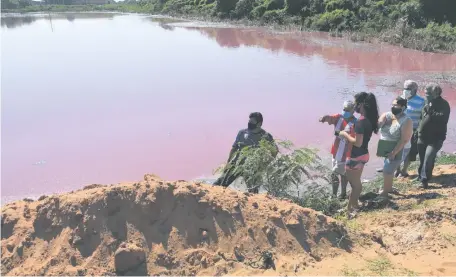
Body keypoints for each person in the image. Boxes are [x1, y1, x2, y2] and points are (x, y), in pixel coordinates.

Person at [213, 112, 278, 193]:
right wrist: (228, 163)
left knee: (253, 193)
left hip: (251, 168)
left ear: (259, 123)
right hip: (237, 165)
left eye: (252, 121)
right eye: (249, 121)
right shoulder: (242, 133)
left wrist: (264, 165)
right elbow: (234, 148)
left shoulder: (266, 136)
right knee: (220, 185)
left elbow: (275, 150)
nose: (250, 123)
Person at [338, 92, 379, 218]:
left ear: (361, 104)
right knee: (357, 184)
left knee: (355, 186)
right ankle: (354, 205)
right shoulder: (370, 119)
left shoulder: (360, 122)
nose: (354, 106)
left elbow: (357, 143)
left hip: (355, 156)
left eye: (355, 103)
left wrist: (344, 134)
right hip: (363, 155)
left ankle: (350, 211)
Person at [319, 100, 357, 199]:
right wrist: (324, 118)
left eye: (348, 110)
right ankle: (341, 194)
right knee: (343, 174)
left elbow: (355, 140)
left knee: (335, 174)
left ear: (353, 111)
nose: (345, 111)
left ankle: (335, 195)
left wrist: (344, 134)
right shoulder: (339, 117)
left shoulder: (355, 123)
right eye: (344, 109)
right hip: (335, 151)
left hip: (346, 153)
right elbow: (330, 118)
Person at [377, 97, 413, 197]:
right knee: (389, 168)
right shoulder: (387, 115)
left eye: (396, 105)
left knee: (387, 170)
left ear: (403, 107)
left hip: (401, 148)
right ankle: (389, 188)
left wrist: (394, 152)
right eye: (392, 105)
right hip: (386, 146)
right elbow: (378, 125)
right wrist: (380, 123)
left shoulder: (407, 121)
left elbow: (404, 140)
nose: (393, 107)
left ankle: (385, 192)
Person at [417, 83, 450, 188]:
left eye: (429, 93)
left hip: (436, 138)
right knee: (422, 160)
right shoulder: (426, 102)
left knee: (429, 157)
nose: (426, 95)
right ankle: (423, 176)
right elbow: (421, 118)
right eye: (425, 93)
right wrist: (417, 132)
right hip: (422, 136)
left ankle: (424, 180)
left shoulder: (444, 104)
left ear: (436, 93)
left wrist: (431, 111)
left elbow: (443, 119)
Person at [395, 80, 425, 177]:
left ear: (415, 90)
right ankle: (397, 169)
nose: (405, 90)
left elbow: (423, 117)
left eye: (408, 89)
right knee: (397, 150)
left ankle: (404, 170)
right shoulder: (399, 99)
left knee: (409, 152)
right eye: (404, 88)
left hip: (413, 130)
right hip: (399, 130)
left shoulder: (421, 101)